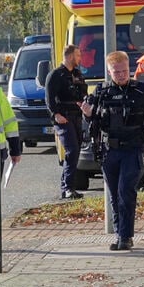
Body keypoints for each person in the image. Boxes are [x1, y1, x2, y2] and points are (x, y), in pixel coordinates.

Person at [82, 51, 144, 251]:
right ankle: (120, 234)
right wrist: (88, 115)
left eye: (125, 71)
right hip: (109, 150)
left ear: (129, 69)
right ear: (109, 71)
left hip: (133, 149)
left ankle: (126, 236)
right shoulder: (101, 92)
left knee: (126, 191)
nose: (122, 75)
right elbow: (93, 122)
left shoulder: (140, 90)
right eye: (117, 72)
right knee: (115, 194)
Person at [44, 45, 87, 199]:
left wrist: (83, 102)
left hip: (77, 117)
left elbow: (83, 93)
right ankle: (68, 187)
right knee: (73, 149)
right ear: (70, 57)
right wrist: (56, 115)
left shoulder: (77, 74)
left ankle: (68, 187)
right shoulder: (56, 75)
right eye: (78, 55)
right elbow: (49, 98)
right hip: (63, 118)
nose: (80, 58)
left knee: (76, 151)